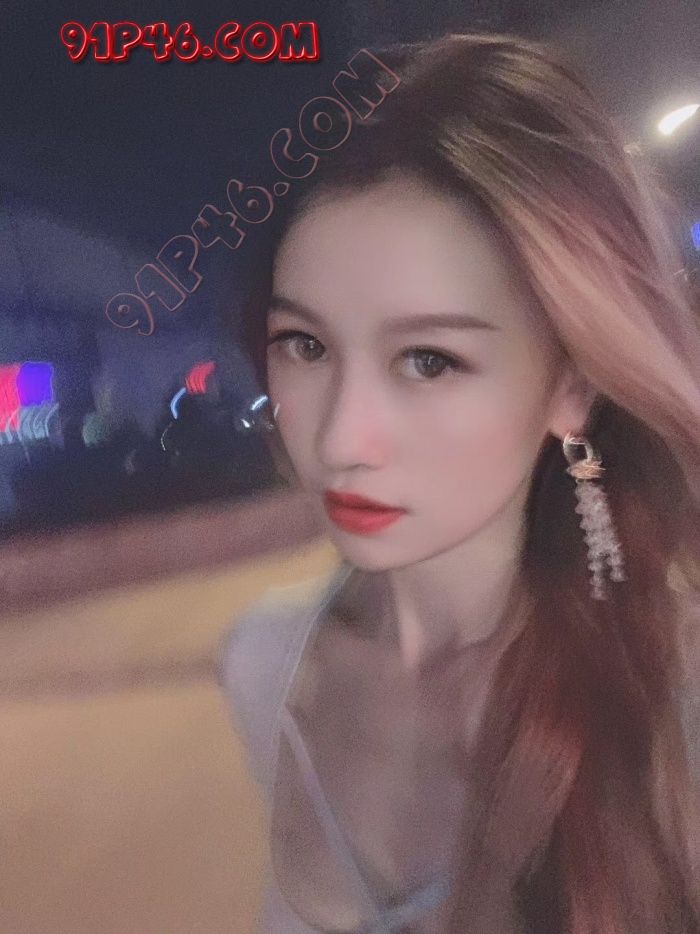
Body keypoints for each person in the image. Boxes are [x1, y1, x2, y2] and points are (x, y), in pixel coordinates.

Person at [217, 31, 700, 934]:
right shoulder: (265, 670)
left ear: (572, 385)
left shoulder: (675, 704)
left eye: (430, 360)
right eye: (305, 345)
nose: (341, 438)